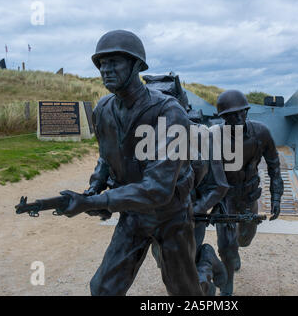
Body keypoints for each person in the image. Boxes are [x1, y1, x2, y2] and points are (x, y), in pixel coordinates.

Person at [59, 30, 203, 296]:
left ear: (137, 65)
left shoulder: (169, 112)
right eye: (101, 63)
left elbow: (158, 188)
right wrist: (94, 187)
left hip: (171, 215)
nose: (106, 70)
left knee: (184, 290)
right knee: (103, 288)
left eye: (114, 62)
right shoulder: (103, 109)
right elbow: (105, 157)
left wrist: (93, 203)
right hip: (133, 214)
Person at [213, 89, 284, 296]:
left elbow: (275, 167)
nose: (236, 118)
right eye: (229, 115)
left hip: (249, 196)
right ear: (222, 118)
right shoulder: (214, 136)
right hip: (225, 198)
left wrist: (276, 197)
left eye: (240, 113)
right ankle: (226, 289)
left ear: (247, 112)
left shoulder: (261, 133)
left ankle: (236, 250)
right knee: (226, 245)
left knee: (244, 239)